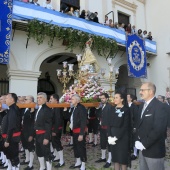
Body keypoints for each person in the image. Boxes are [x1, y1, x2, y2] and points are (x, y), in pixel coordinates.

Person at [135, 82, 167, 170]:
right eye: (140, 90)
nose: (140, 92)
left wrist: (144, 144)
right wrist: (137, 140)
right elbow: (139, 125)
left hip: (154, 151)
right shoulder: (142, 105)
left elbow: (158, 129)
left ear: (151, 91)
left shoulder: (160, 106)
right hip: (142, 150)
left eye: (142, 90)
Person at [108, 92, 130, 170]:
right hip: (113, 138)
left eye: (116, 97)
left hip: (122, 138)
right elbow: (109, 124)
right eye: (114, 97)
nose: (115, 99)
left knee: (122, 159)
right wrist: (109, 136)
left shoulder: (126, 110)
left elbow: (125, 126)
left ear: (122, 99)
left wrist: (116, 137)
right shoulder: (112, 109)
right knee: (115, 158)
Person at [1, 93, 21, 170]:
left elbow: (11, 126)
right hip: (10, 137)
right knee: (10, 155)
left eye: (7, 98)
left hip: (12, 138)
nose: (5, 100)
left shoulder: (13, 110)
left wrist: (7, 140)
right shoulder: (10, 109)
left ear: (12, 100)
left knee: (13, 157)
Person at [34, 92, 53, 170]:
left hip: (43, 134)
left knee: (46, 153)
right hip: (37, 134)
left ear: (45, 99)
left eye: (40, 97)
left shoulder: (47, 110)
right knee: (39, 152)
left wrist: (46, 137)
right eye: (38, 97)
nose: (38, 99)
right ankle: (42, 167)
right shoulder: (38, 108)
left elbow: (48, 125)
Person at [69, 94, 87, 170]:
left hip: (80, 131)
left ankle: (83, 164)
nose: (71, 100)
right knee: (76, 147)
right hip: (74, 130)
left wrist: (81, 134)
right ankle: (78, 162)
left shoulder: (81, 108)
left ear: (77, 100)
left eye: (72, 99)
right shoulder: (74, 108)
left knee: (81, 148)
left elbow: (83, 121)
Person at [95, 93, 113, 168]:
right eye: (101, 98)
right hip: (102, 127)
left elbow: (112, 119)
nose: (102, 100)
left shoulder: (110, 107)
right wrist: (97, 108)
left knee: (109, 144)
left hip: (108, 128)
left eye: (103, 98)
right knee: (102, 142)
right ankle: (103, 157)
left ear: (107, 98)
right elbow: (98, 115)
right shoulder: (101, 106)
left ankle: (109, 160)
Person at [49, 94, 65, 168]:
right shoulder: (53, 107)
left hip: (56, 129)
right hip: (53, 128)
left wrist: (55, 131)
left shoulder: (57, 107)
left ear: (56, 100)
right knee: (54, 144)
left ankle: (62, 161)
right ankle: (57, 157)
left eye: (51, 98)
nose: (50, 100)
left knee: (57, 144)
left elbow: (58, 120)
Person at [20, 95, 35, 170]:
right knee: (25, 146)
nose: (24, 100)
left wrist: (32, 134)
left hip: (29, 132)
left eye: (26, 99)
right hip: (23, 131)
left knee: (30, 148)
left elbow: (33, 123)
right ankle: (27, 159)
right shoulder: (24, 109)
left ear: (31, 101)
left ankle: (31, 164)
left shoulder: (32, 110)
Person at [127, 94, 139, 160]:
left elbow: (136, 117)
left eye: (127, 97)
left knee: (134, 140)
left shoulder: (134, 106)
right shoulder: (125, 106)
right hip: (126, 126)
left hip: (133, 126)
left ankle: (135, 154)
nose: (126, 97)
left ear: (131, 99)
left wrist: (135, 127)